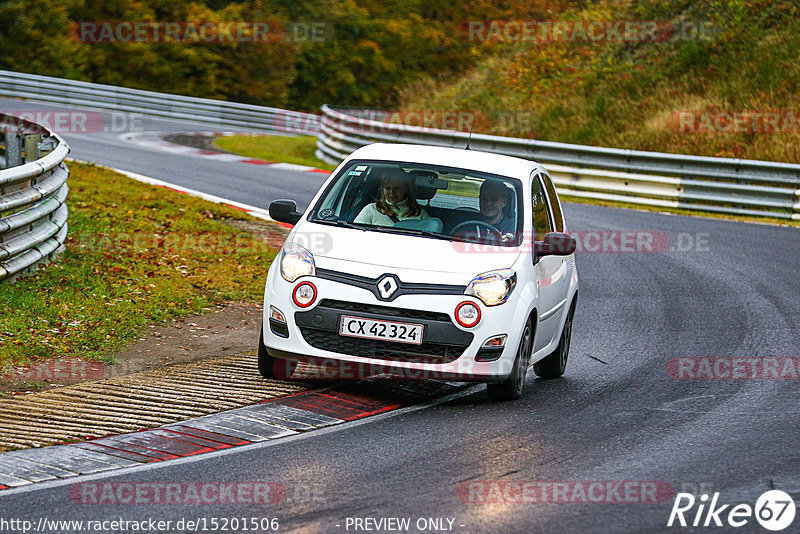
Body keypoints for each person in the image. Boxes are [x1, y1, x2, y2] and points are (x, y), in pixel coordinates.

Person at [354, 171, 430, 227]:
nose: (392, 192)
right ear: (382, 190)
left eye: (397, 188)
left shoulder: (420, 214)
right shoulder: (370, 209)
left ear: (405, 190)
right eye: (388, 188)